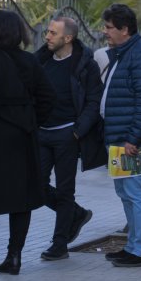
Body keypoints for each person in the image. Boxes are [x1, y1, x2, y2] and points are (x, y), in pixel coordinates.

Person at [0, 10, 55, 277]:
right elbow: (48, 97)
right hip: (23, 137)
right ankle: (14, 256)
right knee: (21, 199)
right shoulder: (28, 60)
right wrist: (31, 121)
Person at [100, 4, 141, 267]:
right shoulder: (124, 53)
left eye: (109, 27)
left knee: (136, 192)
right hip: (121, 138)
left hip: (131, 141)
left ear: (124, 30)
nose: (105, 32)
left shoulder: (140, 54)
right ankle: (133, 246)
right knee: (126, 192)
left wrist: (134, 139)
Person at [34, 16, 103, 261]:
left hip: (67, 135)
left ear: (68, 38)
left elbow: (94, 101)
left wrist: (77, 131)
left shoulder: (85, 64)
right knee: (35, 186)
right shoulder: (40, 61)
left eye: (53, 33)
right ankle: (76, 214)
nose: (47, 37)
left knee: (65, 190)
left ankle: (59, 243)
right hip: (41, 133)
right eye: (48, 32)